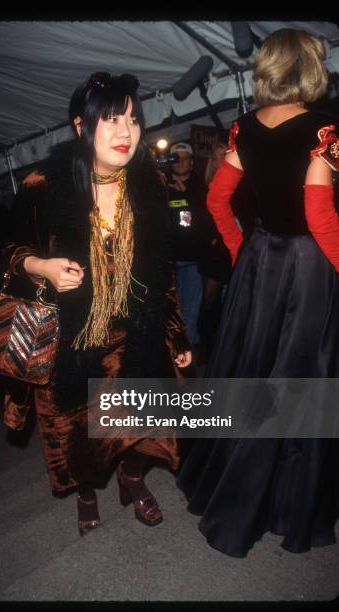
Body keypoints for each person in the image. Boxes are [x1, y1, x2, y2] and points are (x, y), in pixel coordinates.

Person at [3, 72, 192, 536]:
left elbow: (161, 271)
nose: (126, 132)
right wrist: (41, 266)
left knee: (149, 425)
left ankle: (132, 480)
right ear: (81, 127)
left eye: (132, 118)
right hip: (71, 340)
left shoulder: (149, 185)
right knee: (78, 431)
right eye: (111, 120)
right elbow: (4, 250)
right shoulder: (43, 185)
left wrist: (176, 332)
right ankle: (88, 494)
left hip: (133, 333)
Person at [177, 28, 339, 556]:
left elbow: (218, 198)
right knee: (300, 385)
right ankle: (285, 504)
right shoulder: (326, 128)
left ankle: (235, 491)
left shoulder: (244, 126)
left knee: (252, 378)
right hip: (308, 269)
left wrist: (241, 248)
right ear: (311, 67)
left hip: (259, 264)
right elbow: (318, 213)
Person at [166, 142, 205, 349]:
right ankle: (173, 351)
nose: (180, 162)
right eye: (176, 158)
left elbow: (206, 221)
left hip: (192, 261)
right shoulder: (161, 185)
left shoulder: (200, 187)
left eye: (185, 158)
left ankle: (188, 353)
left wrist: (186, 196)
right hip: (168, 261)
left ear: (191, 162)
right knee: (171, 310)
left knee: (190, 309)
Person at [196, 141, 232, 363]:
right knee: (210, 299)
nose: (220, 161)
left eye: (224, 156)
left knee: (230, 300)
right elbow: (199, 218)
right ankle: (206, 346)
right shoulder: (205, 185)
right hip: (213, 250)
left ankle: (223, 346)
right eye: (216, 157)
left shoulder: (236, 181)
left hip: (232, 246)